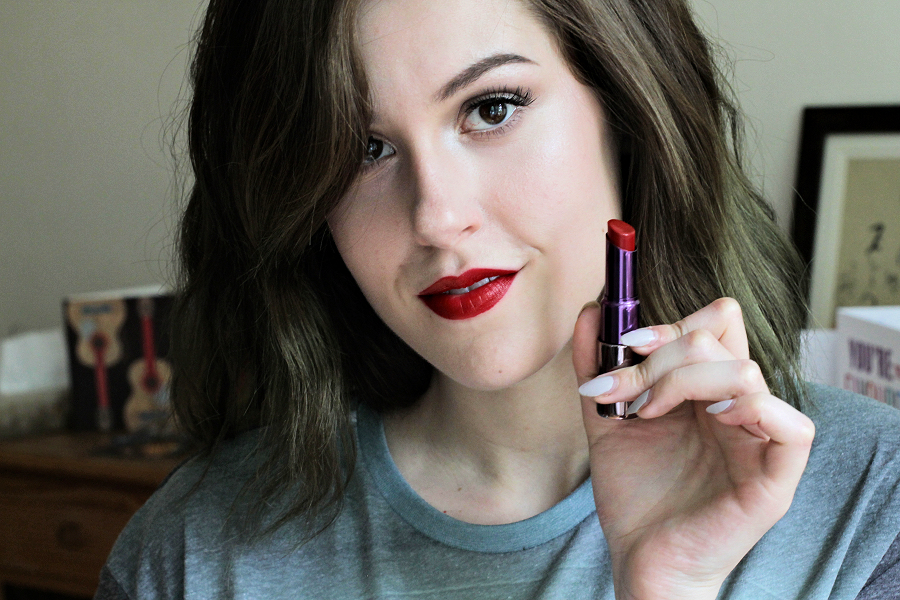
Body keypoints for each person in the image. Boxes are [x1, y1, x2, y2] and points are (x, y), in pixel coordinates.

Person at [96, 0, 900, 598]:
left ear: (626, 109)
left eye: (492, 109)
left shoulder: (872, 508)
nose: (436, 217)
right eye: (363, 149)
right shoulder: (190, 552)